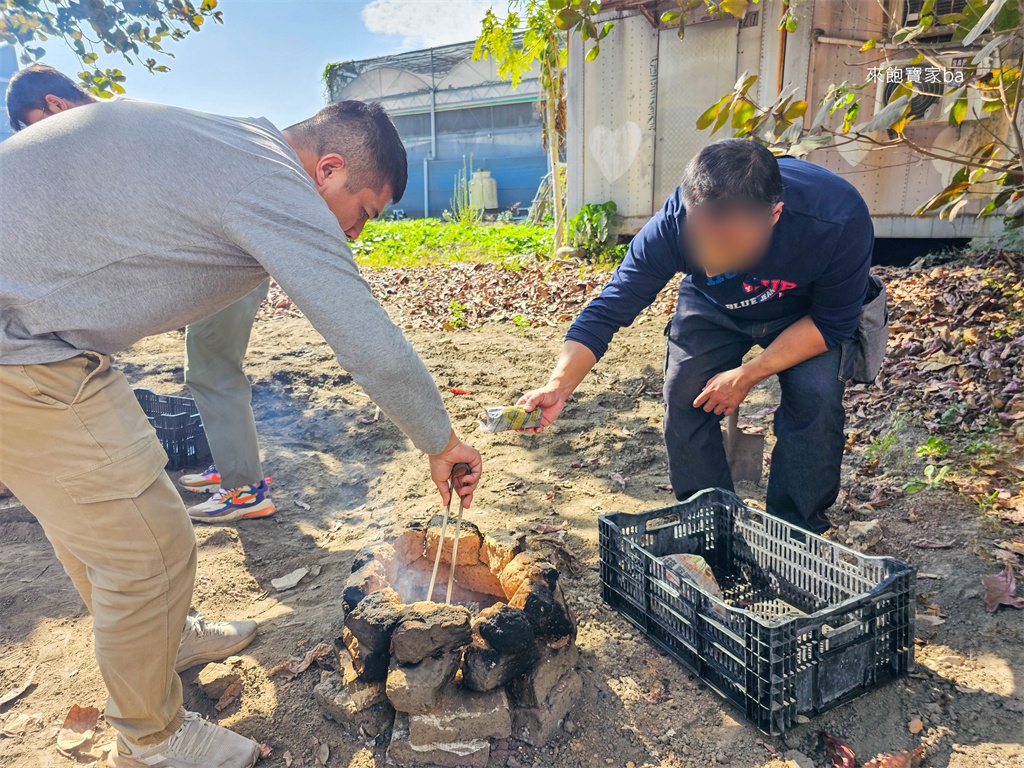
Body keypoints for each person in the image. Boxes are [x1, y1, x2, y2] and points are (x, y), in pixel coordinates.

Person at [0, 95, 482, 767]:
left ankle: (164, 637)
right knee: (144, 553)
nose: (357, 235)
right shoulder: (273, 179)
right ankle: (150, 741)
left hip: (59, 342)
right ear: (329, 170)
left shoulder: (233, 148)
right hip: (19, 350)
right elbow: (362, 333)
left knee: (137, 522)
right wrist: (441, 440)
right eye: (364, 213)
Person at [519, 139, 873, 534]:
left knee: (816, 400)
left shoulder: (837, 218)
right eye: (701, 236)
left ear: (774, 215)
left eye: (728, 242)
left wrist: (748, 374)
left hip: (802, 314)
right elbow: (608, 311)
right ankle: (712, 524)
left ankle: (796, 529)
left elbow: (831, 325)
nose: (712, 253)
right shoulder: (672, 225)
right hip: (714, 306)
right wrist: (558, 386)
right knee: (685, 394)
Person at [6, 63, 275, 523]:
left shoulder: (113, 132)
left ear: (56, 105)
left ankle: (246, 491)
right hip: (218, 259)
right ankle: (231, 465)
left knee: (213, 374)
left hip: (226, 259)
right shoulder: (124, 124)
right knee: (203, 370)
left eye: (38, 131)